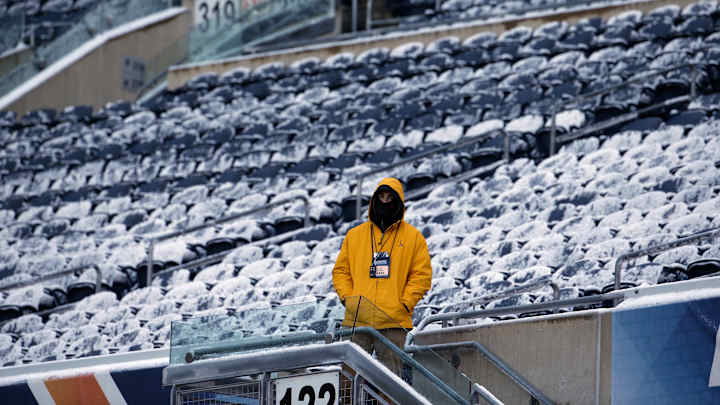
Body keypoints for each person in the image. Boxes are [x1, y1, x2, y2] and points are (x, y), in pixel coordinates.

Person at [332, 177, 432, 377]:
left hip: (393, 322)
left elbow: (421, 276)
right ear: (373, 201)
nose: (385, 202)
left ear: (399, 201)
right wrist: (348, 300)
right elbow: (340, 271)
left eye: (390, 198)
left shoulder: (413, 237)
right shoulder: (355, 235)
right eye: (381, 197)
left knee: (389, 380)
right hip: (357, 321)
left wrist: (404, 304)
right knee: (349, 379)